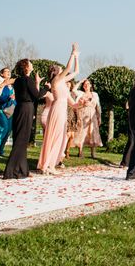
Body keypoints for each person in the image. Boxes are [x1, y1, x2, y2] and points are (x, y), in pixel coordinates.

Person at [38, 43, 82, 175]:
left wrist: (76, 57)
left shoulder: (62, 81)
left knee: (60, 138)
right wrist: (72, 53)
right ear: (54, 72)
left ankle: (50, 164)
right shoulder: (56, 80)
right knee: (56, 137)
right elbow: (68, 68)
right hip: (57, 109)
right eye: (58, 68)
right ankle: (49, 165)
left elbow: (76, 72)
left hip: (62, 108)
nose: (61, 67)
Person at [3, 58, 46, 179]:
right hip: (26, 109)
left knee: (20, 138)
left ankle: (22, 170)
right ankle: (11, 171)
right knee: (22, 139)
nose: (32, 65)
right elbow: (37, 95)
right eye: (30, 64)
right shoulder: (28, 80)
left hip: (20, 108)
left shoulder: (17, 81)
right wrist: (46, 88)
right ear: (26, 67)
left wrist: (36, 82)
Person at [74, 79, 103, 159]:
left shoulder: (95, 94)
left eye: (88, 84)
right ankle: (80, 152)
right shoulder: (80, 93)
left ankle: (93, 153)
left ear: (91, 85)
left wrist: (99, 117)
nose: (86, 85)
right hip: (82, 114)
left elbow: (98, 106)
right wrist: (80, 81)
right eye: (85, 84)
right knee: (82, 132)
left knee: (92, 132)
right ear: (83, 86)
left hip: (92, 115)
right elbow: (73, 90)